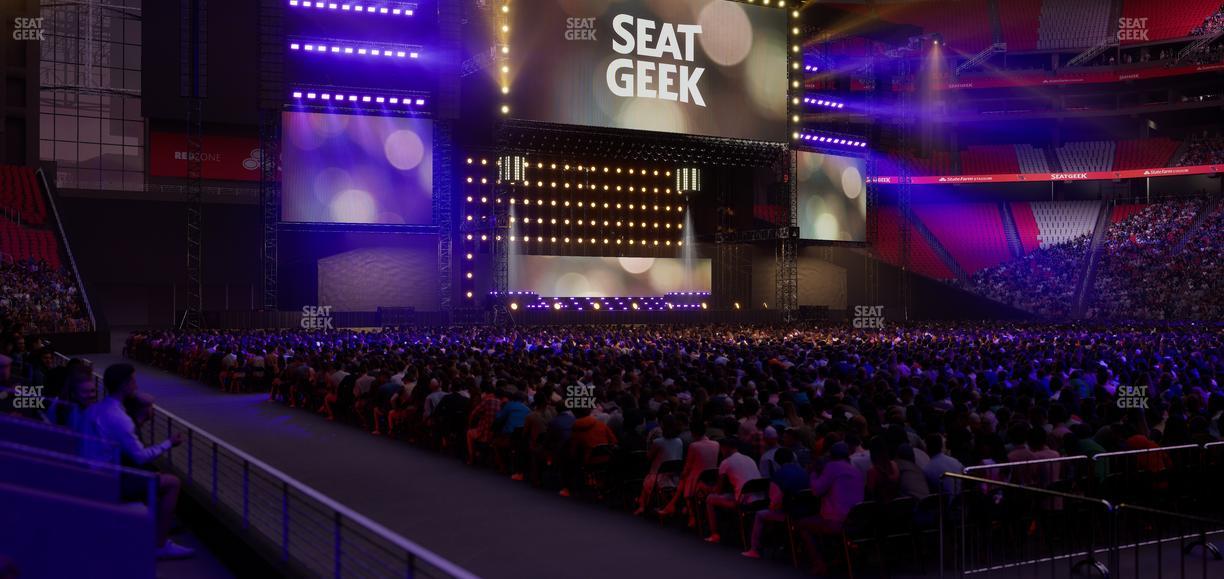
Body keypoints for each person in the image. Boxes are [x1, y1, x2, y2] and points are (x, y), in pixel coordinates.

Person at [83, 363, 194, 559]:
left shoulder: (96, 408)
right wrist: (169, 443)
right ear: (125, 384)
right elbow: (140, 456)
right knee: (172, 483)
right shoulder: (119, 418)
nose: (136, 384)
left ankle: (155, 531)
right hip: (107, 480)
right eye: (133, 380)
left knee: (154, 478)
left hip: (92, 473)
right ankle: (159, 544)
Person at [799, 442, 865, 575]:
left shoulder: (831, 467)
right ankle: (838, 557)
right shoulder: (855, 470)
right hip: (857, 519)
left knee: (802, 525)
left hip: (837, 521)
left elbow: (816, 490)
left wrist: (813, 474)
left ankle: (819, 564)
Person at [741, 448, 810, 559]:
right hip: (807, 509)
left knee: (760, 514)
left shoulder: (778, 475)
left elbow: (774, 501)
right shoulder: (803, 471)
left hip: (789, 512)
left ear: (777, 461)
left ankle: (754, 549)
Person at [704, 437, 762, 544]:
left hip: (743, 502)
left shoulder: (726, 463)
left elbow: (718, 490)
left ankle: (714, 533)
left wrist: (707, 488)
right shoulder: (749, 459)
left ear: (725, 448)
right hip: (760, 499)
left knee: (710, 498)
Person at [635, 414, 684, 515]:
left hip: (658, 476)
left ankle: (642, 505)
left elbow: (648, 457)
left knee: (646, 474)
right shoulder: (679, 441)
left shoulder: (658, 442)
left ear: (662, 425)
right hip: (675, 476)